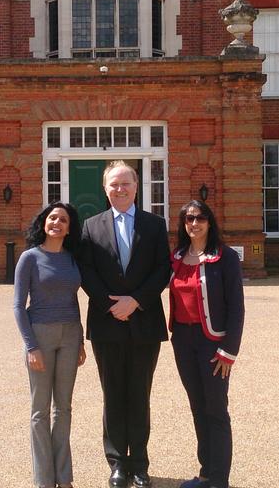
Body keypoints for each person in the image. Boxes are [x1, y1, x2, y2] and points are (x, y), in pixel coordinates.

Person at [79, 161, 171, 488]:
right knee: (113, 395)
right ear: (105, 189)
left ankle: (140, 464)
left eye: (125, 184)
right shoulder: (90, 226)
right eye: (114, 184)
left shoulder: (155, 225)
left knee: (139, 395)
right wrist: (111, 305)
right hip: (107, 323)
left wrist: (136, 301)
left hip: (145, 321)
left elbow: (163, 268)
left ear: (136, 186)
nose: (120, 189)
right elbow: (86, 271)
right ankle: (118, 463)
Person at [168, 200, 245, 488]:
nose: (194, 223)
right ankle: (206, 473)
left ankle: (219, 480)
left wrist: (229, 350)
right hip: (183, 341)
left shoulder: (225, 257)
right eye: (189, 218)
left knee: (216, 410)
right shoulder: (177, 256)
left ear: (210, 222)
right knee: (198, 407)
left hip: (212, 343)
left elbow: (236, 307)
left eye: (200, 218)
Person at [13, 202, 87, 488]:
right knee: (40, 411)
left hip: (69, 336)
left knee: (64, 409)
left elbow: (73, 300)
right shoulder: (30, 258)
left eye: (63, 220)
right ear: (43, 223)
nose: (57, 223)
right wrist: (31, 347)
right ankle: (44, 480)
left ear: (69, 229)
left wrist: (80, 340)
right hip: (40, 336)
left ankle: (64, 478)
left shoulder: (71, 259)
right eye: (52, 218)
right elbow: (18, 306)